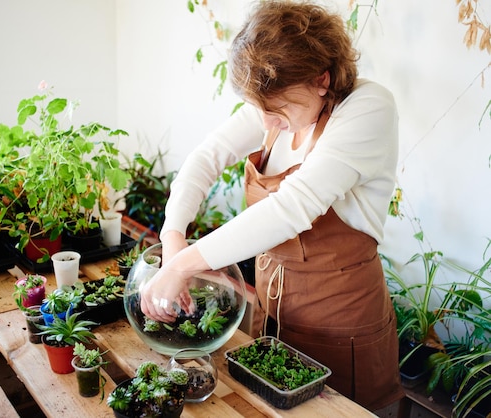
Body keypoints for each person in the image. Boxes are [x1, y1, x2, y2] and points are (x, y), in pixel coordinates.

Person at [139, 0, 404, 412]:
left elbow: (293, 207)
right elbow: (205, 157)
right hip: (273, 317)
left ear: (322, 79)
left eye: (277, 111)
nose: (266, 124)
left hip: (341, 323)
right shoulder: (281, 104)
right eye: (261, 110)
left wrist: (182, 266)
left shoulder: (368, 108)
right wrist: (173, 238)